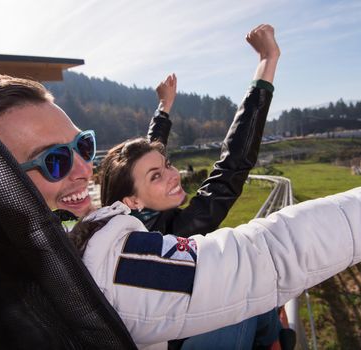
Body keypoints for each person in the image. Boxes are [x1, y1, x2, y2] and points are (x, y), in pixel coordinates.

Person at [0, 27, 361, 350]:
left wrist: (164, 111)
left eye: (84, 146)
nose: (80, 168)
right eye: (54, 160)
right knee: (259, 308)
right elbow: (252, 210)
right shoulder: (128, 249)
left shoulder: (37, 249)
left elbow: (140, 158)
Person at [97, 24, 284, 349]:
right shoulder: (173, 235)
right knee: (250, 290)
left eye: (167, 165)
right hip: (173, 341)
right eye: (157, 176)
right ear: (133, 200)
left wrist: (164, 107)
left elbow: (146, 156)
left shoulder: (116, 220)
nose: (173, 175)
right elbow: (232, 165)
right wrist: (267, 62)